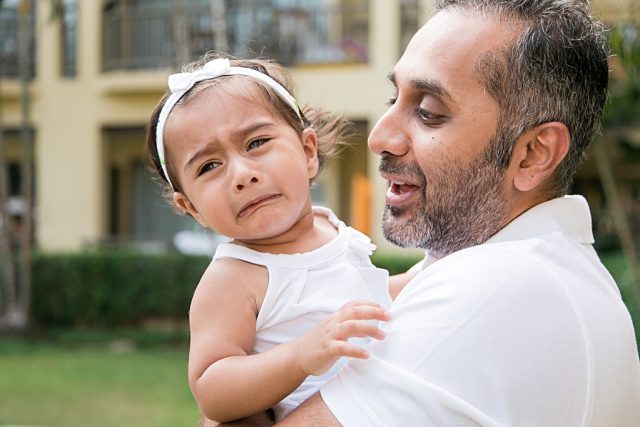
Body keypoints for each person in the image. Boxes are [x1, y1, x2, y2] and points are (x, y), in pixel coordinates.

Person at [276, 0, 640, 425]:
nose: (380, 136)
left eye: (429, 112)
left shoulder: (496, 287)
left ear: (533, 154)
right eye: (394, 97)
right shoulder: (534, 267)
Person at [145, 54, 395, 423]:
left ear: (308, 152)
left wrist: (434, 271)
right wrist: (300, 355)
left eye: (256, 142)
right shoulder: (235, 277)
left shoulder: (331, 227)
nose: (242, 174)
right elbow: (212, 388)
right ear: (191, 207)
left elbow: (372, 295)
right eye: (209, 166)